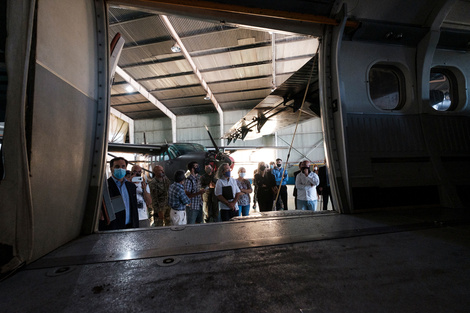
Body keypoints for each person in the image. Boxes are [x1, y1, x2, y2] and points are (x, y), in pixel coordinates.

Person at [99, 157, 139, 230]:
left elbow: (134, 208)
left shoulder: (131, 186)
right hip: (112, 228)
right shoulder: (104, 186)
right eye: (117, 166)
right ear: (111, 168)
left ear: (126, 168)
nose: (120, 169)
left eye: (123, 166)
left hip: (130, 227)